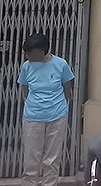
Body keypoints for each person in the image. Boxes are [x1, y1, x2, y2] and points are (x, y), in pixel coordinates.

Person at [17, 33, 75, 186]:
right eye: (27, 54)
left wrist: (59, 105)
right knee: (31, 157)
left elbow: (67, 89)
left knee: (52, 157)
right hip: (32, 116)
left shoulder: (61, 64)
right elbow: (25, 89)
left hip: (57, 116)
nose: (28, 57)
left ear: (43, 51)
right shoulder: (26, 67)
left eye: (31, 53)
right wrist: (35, 104)